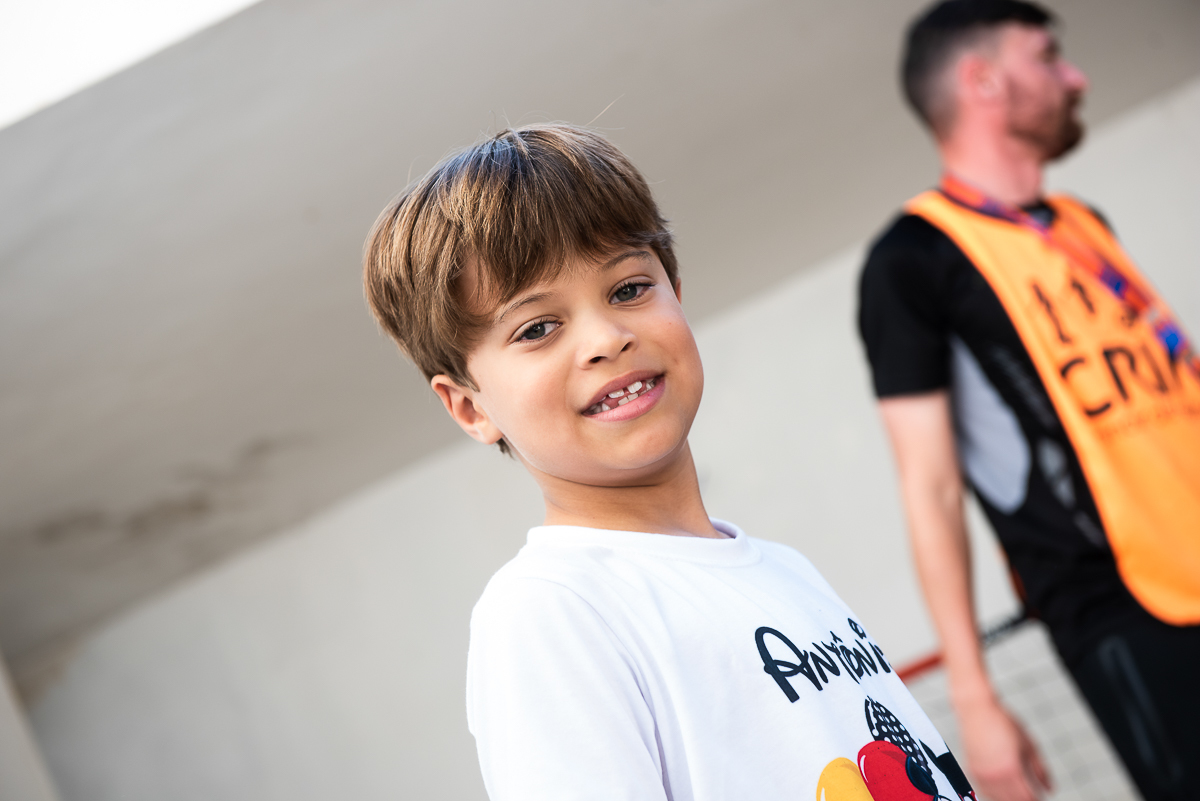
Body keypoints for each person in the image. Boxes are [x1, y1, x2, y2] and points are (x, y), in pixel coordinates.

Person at [364, 123, 973, 800]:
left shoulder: (785, 569)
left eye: (627, 289)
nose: (606, 337)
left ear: (676, 290)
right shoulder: (549, 611)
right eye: (537, 328)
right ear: (470, 408)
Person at [858, 1, 1200, 799]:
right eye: (1047, 57)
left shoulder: (1084, 223)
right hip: (1124, 609)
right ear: (982, 81)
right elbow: (931, 486)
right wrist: (974, 698)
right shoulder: (913, 259)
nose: (1072, 75)